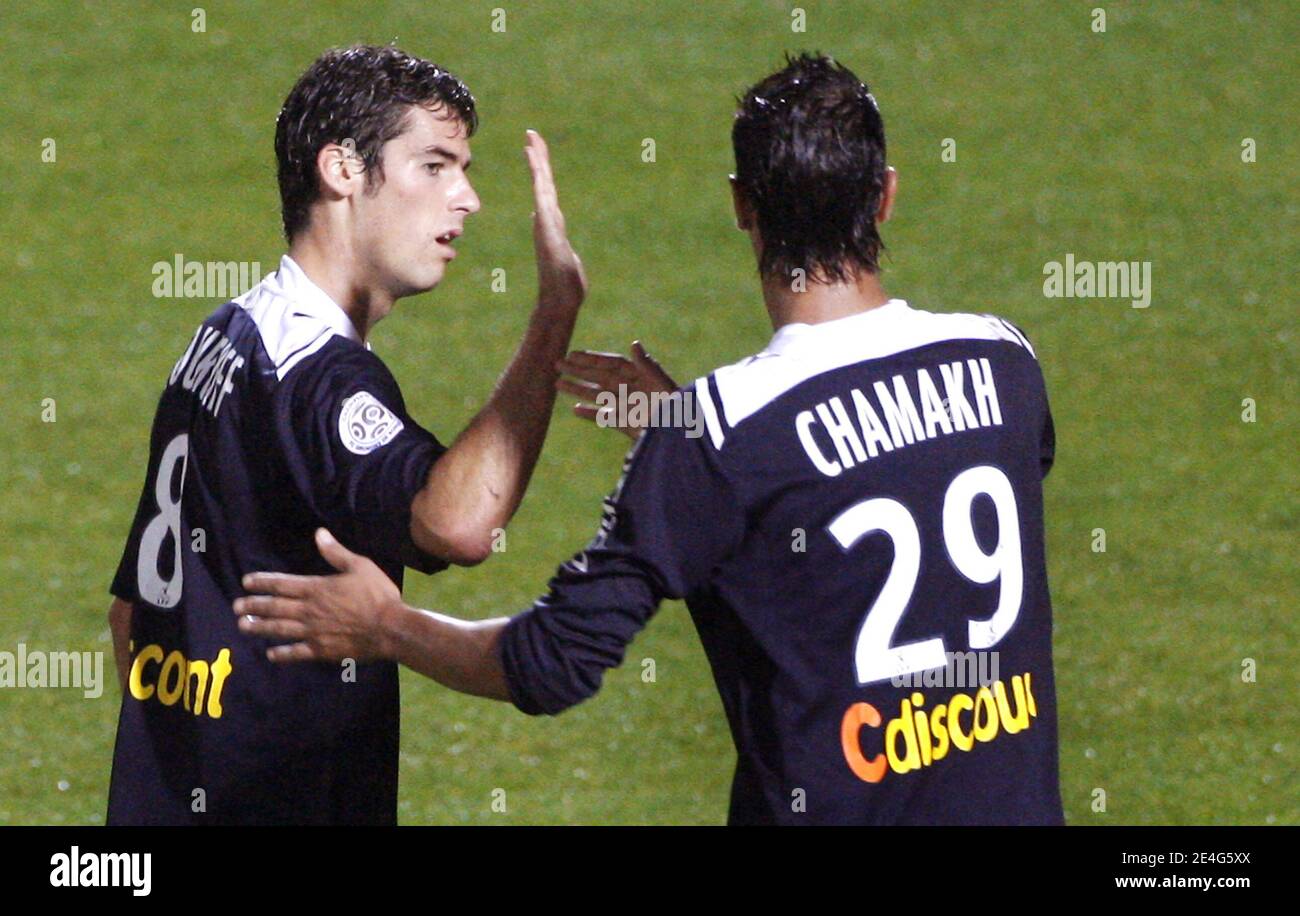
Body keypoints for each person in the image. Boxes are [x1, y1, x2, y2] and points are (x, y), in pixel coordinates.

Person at [235, 53, 1063, 825]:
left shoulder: (721, 433)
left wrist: (387, 627)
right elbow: (897, 469)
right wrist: (710, 453)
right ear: (884, 194)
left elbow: (551, 663)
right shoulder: (1003, 361)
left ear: (743, 203)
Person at [105, 44, 587, 824]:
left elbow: (132, 615)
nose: (467, 199)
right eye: (434, 165)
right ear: (342, 170)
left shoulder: (226, 333)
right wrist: (555, 315)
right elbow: (457, 523)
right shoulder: (319, 379)